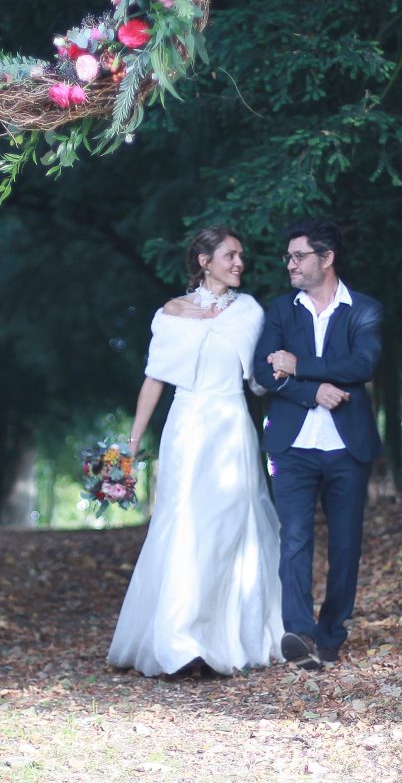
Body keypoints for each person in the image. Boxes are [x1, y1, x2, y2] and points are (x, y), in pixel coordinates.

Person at [106, 227, 284, 678]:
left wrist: (284, 371)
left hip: (231, 426)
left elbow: (260, 380)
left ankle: (229, 637)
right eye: (230, 255)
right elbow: (155, 378)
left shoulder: (249, 312)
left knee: (230, 526)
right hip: (186, 427)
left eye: (241, 255)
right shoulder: (171, 314)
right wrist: (132, 444)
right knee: (183, 522)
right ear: (205, 261)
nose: (240, 262)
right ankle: (179, 642)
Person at [253, 218, 382, 670]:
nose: (290, 264)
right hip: (292, 446)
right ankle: (300, 635)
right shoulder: (280, 311)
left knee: (346, 545)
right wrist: (314, 392)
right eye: (288, 257)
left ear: (326, 258)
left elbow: (362, 364)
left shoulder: (363, 309)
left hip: (348, 447)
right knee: (294, 539)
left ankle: (331, 636)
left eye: (298, 256)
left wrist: (300, 365)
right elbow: (266, 372)